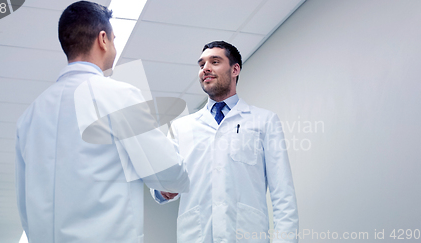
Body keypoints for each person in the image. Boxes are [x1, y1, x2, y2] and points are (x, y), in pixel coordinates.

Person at [15, 1, 189, 242]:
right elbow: (167, 171)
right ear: (103, 39)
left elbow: (24, 203)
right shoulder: (118, 95)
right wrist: (173, 181)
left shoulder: (30, 116)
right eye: (114, 40)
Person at [152, 41, 299, 243]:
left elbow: (283, 194)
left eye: (215, 61)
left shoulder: (264, 121)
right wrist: (163, 190)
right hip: (196, 236)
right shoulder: (181, 127)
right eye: (201, 64)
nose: (206, 69)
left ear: (235, 69)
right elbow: (162, 185)